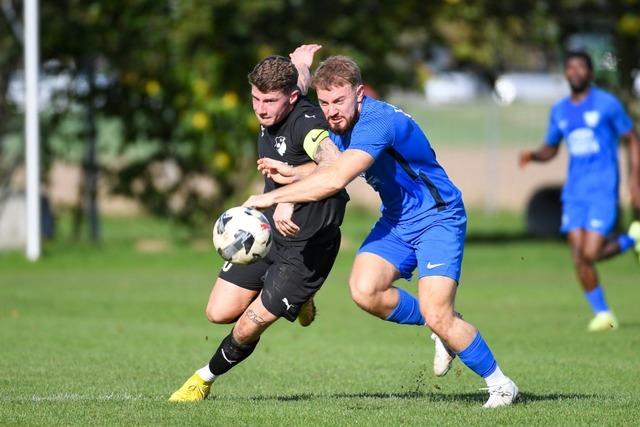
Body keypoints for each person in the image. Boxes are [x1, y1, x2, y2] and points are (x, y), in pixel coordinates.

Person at [245, 48, 518, 408]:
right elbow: (324, 151)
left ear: (360, 93)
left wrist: (272, 198)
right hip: (398, 219)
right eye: (325, 102)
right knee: (365, 290)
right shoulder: (338, 121)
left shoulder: (377, 123)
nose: (331, 111)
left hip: (438, 216)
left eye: (339, 101)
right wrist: (294, 171)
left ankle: (500, 385)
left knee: (439, 312)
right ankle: (441, 326)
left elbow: (337, 178)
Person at [169, 48, 349, 402]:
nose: (261, 108)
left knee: (250, 323)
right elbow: (297, 78)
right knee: (218, 312)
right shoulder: (278, 101)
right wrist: (301, 64)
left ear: (292, 98)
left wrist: (287, 196)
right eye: (255, 99)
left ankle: (201, 381)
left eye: (269, 100)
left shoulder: (307, 123)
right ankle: (295, 297)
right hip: (267, 232)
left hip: (308, 244)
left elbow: (335, 165)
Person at [519, 51, 640, 331]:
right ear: (565, 72)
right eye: (570, 67)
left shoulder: (607, 104)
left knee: (592, 252)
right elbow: (551, 148)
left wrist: (635, 178)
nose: (575, 72)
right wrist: (533, 156)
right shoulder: (560, 110)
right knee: (578, 255)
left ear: (590, 72)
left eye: (581, 67)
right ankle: (603, 314)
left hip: (602, 188)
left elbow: (632, 137)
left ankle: (631, 239)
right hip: (574, 192)